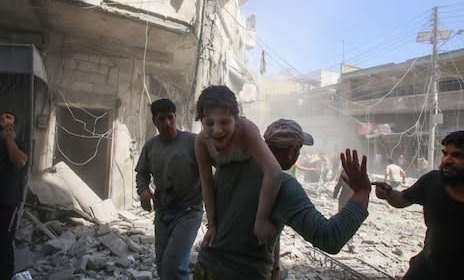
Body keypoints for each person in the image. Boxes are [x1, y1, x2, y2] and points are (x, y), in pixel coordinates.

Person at [194, 118, 371, 279]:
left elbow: (266, 219)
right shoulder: (284, 186)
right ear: (292, 151)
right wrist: (361, 193)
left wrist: (275, 268)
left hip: (204, 269)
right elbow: (330, 238)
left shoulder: (229, 165)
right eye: (299, 149)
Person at [194, 85, 282, 246]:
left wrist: (261, 220)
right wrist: (212, 225)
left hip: (254, 186)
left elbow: (274, 172)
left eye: (225, 122)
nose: (217, 130)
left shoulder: (246, 131)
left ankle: (274, 265)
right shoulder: (201, 142)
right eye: (209, 123)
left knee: (266, 237)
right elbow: (207, 184)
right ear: (202, 121)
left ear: (236, 118)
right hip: (226, 190)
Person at [374, 131, 464, 280]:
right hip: (425, 270)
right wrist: (388, 193)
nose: (447, 160)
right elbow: (402, 199)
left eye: (457, 155)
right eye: (445, 153)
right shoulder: (432, 181)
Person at [135, 99, 202, 280]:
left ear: (175, 117)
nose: (167, 123)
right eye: (161, 119)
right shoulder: (150, 146)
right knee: (162, 264)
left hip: (189, 211)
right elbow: (141, 174)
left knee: (174, 264)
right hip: (163, 213)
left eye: (170, 118)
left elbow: (213, 169)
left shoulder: (193, 142)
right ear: (154, 121)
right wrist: (143, 191)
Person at [0, 112, 28, 280]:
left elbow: (21, 162)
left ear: (13, 125)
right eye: (0, 116)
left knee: (4, 239)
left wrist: (9, 140)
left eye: (8, 116)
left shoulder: (18, 145)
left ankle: (5, 273)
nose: (2, 117)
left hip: (7, 201)